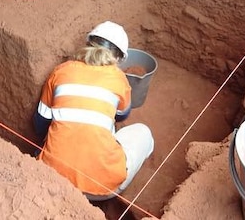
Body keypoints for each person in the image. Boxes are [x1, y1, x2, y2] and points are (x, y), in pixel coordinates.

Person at [33, 21, 155, 200]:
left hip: (52, 176)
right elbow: (122, 115)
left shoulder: (60, 71)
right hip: (102, 188)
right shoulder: (119, 79)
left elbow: (40, 123)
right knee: (144, 133)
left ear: (88, 44)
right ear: (119, 59)